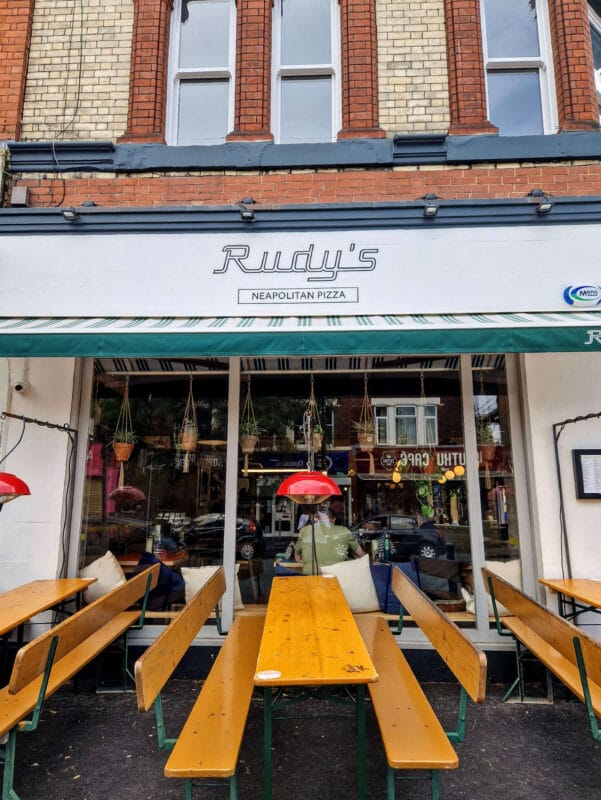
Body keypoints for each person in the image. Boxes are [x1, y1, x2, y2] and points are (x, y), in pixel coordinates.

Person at [294, 510, 364, 575]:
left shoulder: (305, 530)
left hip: (310, 576)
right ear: (334, 519)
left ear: (317, 519)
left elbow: (297, 558)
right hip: (336, 577)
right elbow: (361, 555)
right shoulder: (344, 531)